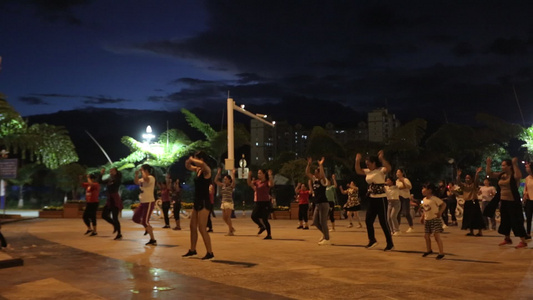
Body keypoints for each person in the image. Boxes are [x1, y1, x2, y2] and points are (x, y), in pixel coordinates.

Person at [355, 150, 394, 251]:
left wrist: (382, 159)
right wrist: (357, 161)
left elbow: (389, 168)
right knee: (368, 220)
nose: (367, 166)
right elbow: (358, 170)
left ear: (374, 163)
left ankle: (390, 243)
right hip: (372, 198)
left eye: (369, 164)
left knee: (383, 222)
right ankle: (372, 240)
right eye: (366, 164)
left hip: (381, 199)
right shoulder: (368, 171)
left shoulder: (380, 170)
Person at [486, 157, 528, 248]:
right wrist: (488, 164)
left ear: (509, 166)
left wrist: (514, 164)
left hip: (512, 202)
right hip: (503, 201)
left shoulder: (513, 175)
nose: (502, 167)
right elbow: (490, 174)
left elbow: (519, 176)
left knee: (516, 221)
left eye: (504, 165)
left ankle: (523, 241)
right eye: (502, 165)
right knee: (505, 221)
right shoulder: (501, 175)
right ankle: (507, 239)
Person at [182, 152, 215, 260]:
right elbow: (188, 166)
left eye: (196, 158)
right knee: (192, 226)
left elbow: (202, 164)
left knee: (202, 227)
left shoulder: (206, 170)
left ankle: (210, 252)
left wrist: (192, 159)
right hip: (197, 200)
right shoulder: (198, 170)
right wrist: (188, 162)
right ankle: (192, 250)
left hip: (205, 202)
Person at [306, 157, 330, 245]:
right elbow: (307, 173)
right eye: (315, 173)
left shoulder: (324, 181)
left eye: (316, 173)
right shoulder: (314, 180)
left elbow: (323, 176)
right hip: (317, 204)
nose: (315, 174)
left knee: (323, 222)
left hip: (324, 203)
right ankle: (325, 234)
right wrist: (309, 164)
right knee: (315, 222)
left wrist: (321, 165)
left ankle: (327, 239)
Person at [420, 182, 446, 260]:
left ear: (429, 190)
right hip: (427, 220)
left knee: (436, 236)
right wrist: (422, 216)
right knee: (426, 236)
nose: (422, 190)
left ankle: (441, 252)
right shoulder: (423, 199)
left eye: (424, 188)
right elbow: (423, 209)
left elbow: (444, 204)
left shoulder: (434, 199)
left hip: (434, 219)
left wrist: (440, 212)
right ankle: (429, 250)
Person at [133, 164, 157, 246]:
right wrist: (136, 175)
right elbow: (136, 182)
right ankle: (148, 227)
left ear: (145, 170)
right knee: (135, 218)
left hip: (149, 201)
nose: (140, 171)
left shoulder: (151, 178)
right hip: (142, 202)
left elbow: (146, 179)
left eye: (142, 169)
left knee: (145, 221)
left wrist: (143, 172)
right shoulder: (142, 178)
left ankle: (152, 239)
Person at [457, 167, 485, 236]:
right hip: (467, 202)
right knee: (468, 217)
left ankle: (480, 231)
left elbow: (476, 181)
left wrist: (477, 173)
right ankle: (471, 231)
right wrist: (458, 176)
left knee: (477, 217)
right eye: (466, 178)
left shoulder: (474, 185)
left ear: (471, 179)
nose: (467, 179)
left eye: (468, 178)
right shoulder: (464, 186)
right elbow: (458, 183)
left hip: (474, 202)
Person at [247, 169, 274, 240]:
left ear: (264, 174)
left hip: (265, 203)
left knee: (265, 219)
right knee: (253, 216)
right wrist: (249, 176)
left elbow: (271, 184)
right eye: (258, 173)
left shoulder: (266, 182)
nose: (258, 175)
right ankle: (261, 226)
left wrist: (270, 176)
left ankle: (269, 235)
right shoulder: (257, 182)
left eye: (260, 173)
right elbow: (249, 183)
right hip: (258, 202)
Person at [99, 168, 123, 240]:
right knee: (104, 215)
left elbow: (118, 180)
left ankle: (119, 233)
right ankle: (114, 224)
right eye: (110, 171)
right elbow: (100, 181)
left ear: (116, 172)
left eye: (112, 171)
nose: (110, 172)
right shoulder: (110, 180)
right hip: (110, 200)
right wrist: (101, 174)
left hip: (115, 200)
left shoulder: (117, 179)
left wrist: (115, 175)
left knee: (115, 217)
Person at [214, 168, 236, 236]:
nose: (224, 180)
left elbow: (234, 182)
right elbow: (215, 181)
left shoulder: (231, 186)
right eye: (224, 179)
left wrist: (233, 174)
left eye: (226, 179)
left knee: (228, 217)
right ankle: (231, 228)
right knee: (224, 218)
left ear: (229, 180)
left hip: (229, 202)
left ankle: (230, 231)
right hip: (223, 202)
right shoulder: (223, 185)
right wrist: (218, 173)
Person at [524, 162, 533, 240]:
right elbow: (526, 188)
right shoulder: (527, 178)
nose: (526, 168)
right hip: (529, 200)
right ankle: (528, 233)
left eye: (528, 167)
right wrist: (525, 194)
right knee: (528, 217)